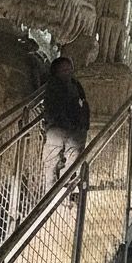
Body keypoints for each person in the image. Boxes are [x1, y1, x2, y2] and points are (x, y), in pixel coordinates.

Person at [42, 56, 90, 187]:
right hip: (57, 126)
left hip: (75, 128)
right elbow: (52, 107)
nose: (67, 72)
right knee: (51, 158)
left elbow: (83, 103)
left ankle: (65, 188)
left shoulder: (75, 85)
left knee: (73, 158)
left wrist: (84, 123)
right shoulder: (53, 86)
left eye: (69, 69)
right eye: (63, 69)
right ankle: (50, 189)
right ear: (56, 71)